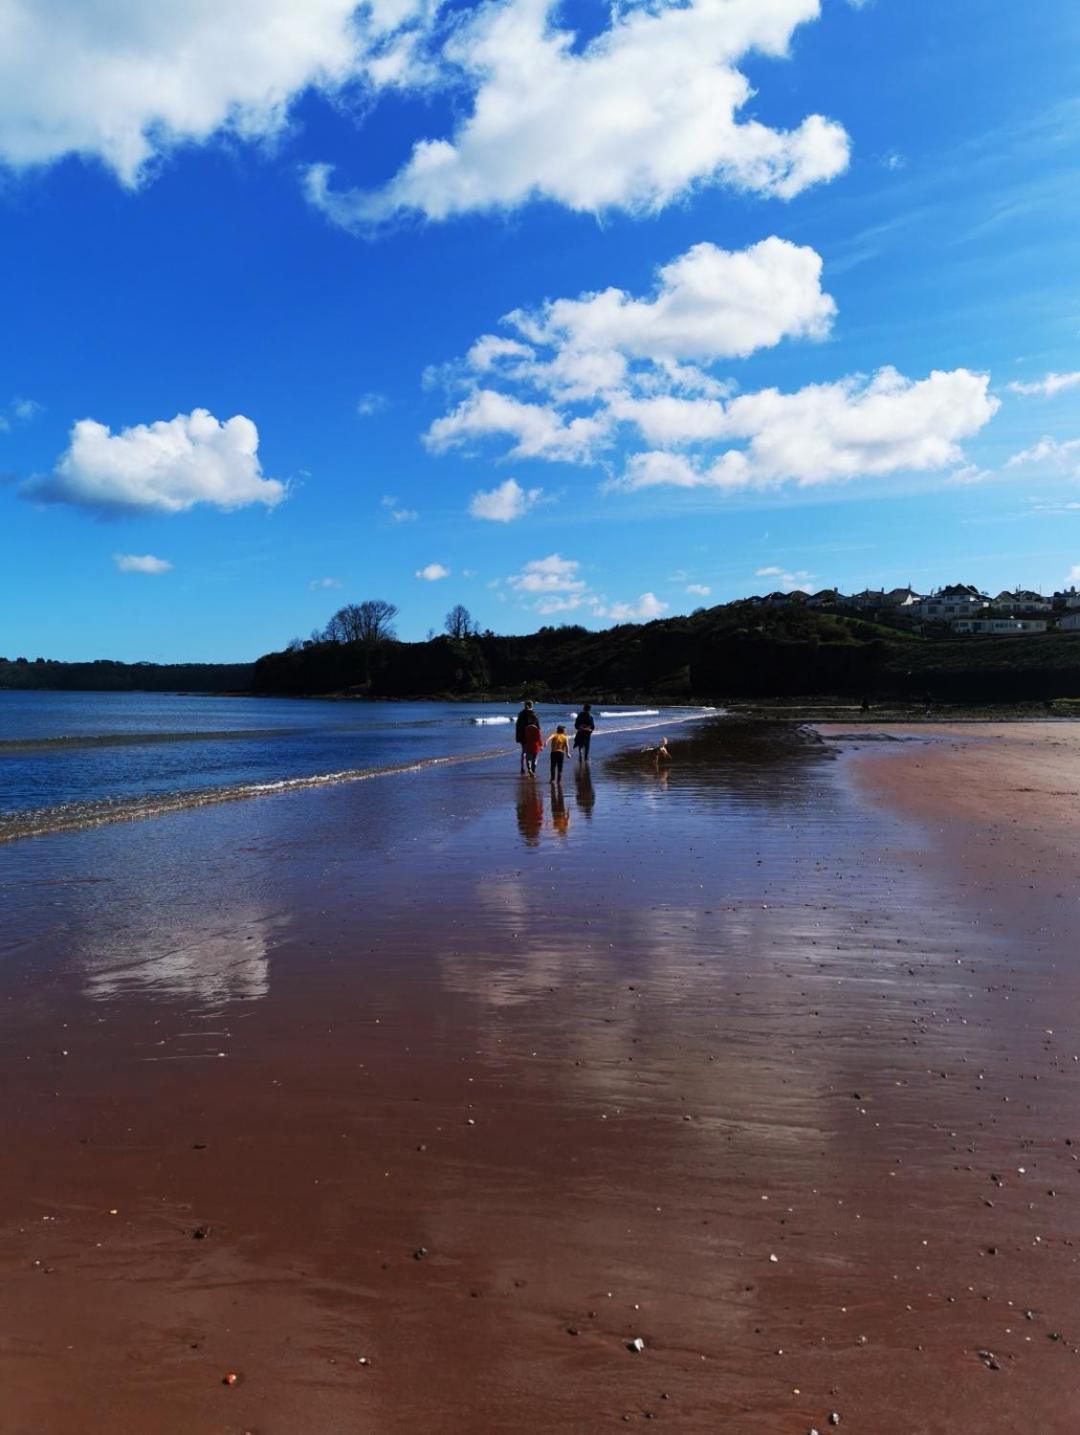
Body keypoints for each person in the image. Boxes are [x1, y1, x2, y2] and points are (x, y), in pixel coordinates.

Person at [515, 699, 539, 773]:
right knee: (534, 751)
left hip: (522, 735)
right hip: (532, 735)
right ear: (531, 705)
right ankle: (532, 766)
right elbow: (537, 726)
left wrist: (517, 736)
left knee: (524, 752)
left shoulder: (520, 714)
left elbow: (517, 726)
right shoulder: (534, 713)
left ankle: (522, 768)